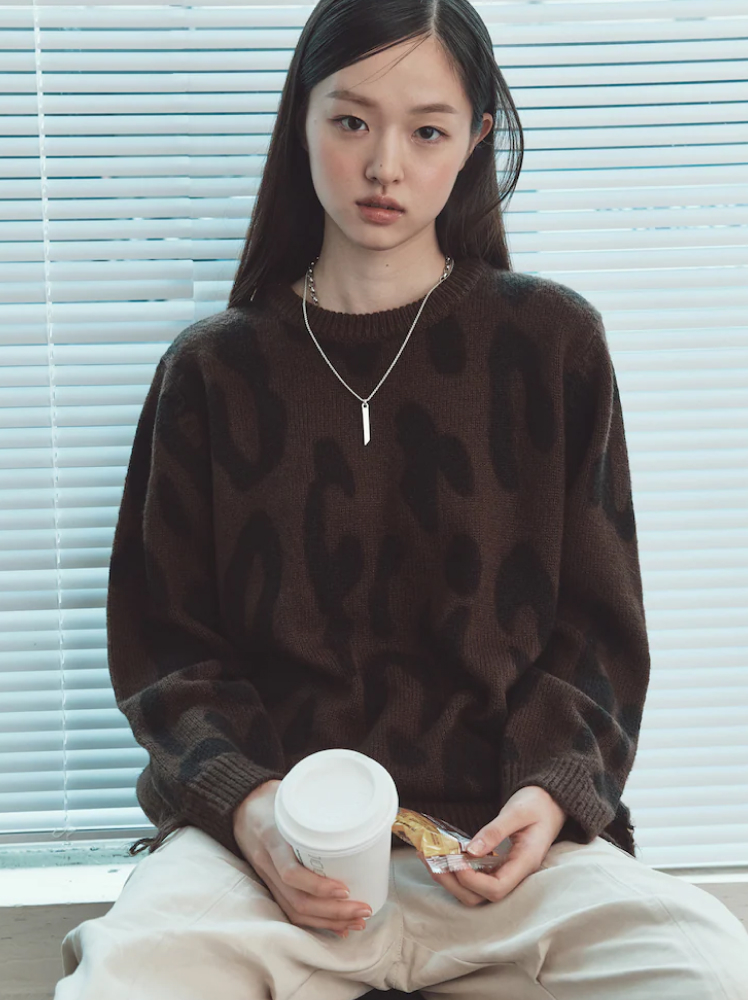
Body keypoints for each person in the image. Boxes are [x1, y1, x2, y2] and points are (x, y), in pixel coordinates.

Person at [54, 1, 748, 998]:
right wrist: (250, 812)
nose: (385, 165)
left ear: (473, 141)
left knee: (709, 969)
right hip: (264, 861)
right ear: (301, 123)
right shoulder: (210, 372)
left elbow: (598, 635)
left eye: (426, 129)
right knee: (119, 984)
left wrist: (548, 802)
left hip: (499, 856)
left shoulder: (551, 346)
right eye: (350, 121)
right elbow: (166, 657)